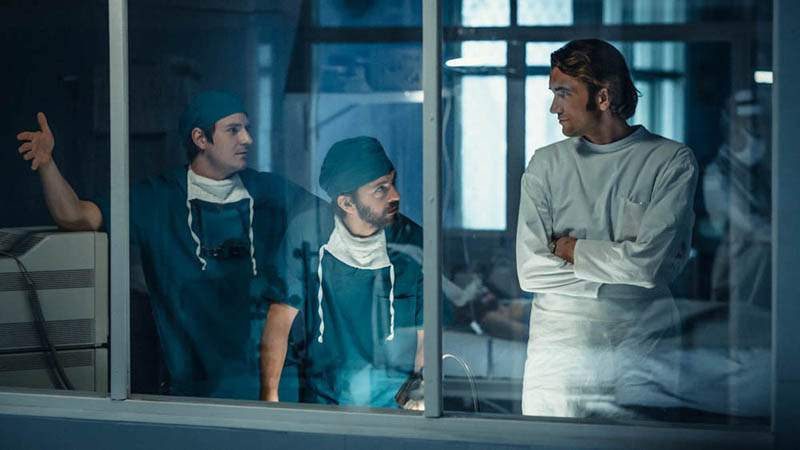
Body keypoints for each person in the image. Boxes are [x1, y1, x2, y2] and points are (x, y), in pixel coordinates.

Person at [16, 91, 309, 400]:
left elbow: (327, 218)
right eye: (234, 129)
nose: (247, 139)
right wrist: (47, 164)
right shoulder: (157, 199)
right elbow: (76, 216)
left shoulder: (269, 190)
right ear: (200, 138)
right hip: (196, 390)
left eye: (246, 128)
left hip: (274, 385)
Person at [515, 39, 698, 418]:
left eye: (563, 93)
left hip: (641, 344)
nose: (554, 108)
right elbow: (531, 270)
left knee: (640, 442)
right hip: (560, 353)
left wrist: (572, 250)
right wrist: (621, 264)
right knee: (555, 443)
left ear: (603, 96)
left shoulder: (670, 161)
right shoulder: (546, 165)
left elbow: (649, 266)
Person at [260, 136, 424, 408]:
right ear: (347, 203)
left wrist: (419, 394)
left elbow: (425, 334)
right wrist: (269, 399)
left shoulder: (413, 242)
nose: (395, 195)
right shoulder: (308, 232)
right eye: (380, 189)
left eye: (392, 183)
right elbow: (280, 317)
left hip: (394, 407)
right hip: (325, 402)